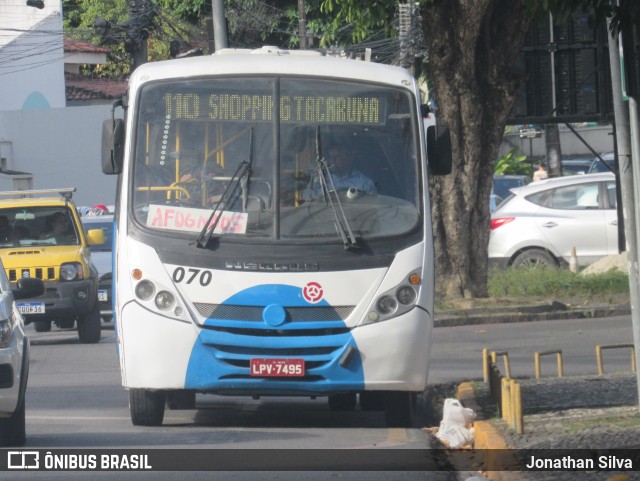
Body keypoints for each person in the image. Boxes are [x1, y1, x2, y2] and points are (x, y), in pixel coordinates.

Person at [302, 146, 377, 201]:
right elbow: (306, 200)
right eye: (331, 157)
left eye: (337, 157)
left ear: (349, 158)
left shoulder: (365, 182)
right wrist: (315, 179)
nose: (333, 160)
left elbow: (374, 206)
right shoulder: (321, 179)